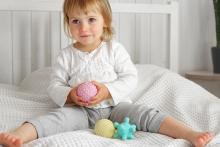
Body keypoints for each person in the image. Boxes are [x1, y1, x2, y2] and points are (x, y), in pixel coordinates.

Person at [0, 0, 214, 147]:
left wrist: (108, 90)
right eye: (76, 21)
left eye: (91, 19)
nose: (84, 27)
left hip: (115, 107)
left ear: (105, 21)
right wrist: (69, 95)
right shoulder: (66, 55)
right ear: (68, 24)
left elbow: (130, 77)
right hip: (80, 110)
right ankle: (17, 136)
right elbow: (54, 84)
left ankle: (189, 134)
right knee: (54, 119)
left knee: (145, 114)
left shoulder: (114, 49)